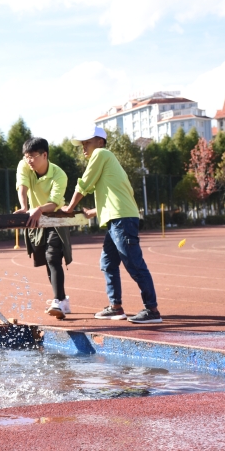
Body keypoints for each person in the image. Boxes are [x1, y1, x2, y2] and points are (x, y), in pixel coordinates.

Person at [62, 126, 162, 324]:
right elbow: (114, 195)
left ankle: (152, 310)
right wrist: (93, 212)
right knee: (107, 263)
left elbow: (85, 183)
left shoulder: (101, 154)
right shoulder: (109, 163)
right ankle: (115, 307)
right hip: (118, 218)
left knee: (134, 264)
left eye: (87, 143)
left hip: (122, 220)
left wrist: (70, 207)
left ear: (100, 141)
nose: (84, 148)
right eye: (82, 145)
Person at [14, 137, 72, 319]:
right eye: (26, 156)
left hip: (55, 218)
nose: (28, 160)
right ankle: (62, 299)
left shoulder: (59, 174)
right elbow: (22, 186)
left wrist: (39, 209)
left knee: (53, 255)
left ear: (45, 155)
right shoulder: (24, 165)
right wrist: (24, 207)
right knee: (47, 260)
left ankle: (58, 301)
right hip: (35, 219)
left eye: (32, 156)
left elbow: (55, 202)